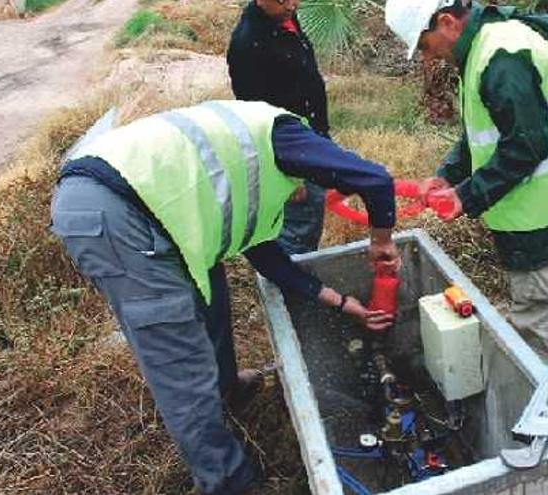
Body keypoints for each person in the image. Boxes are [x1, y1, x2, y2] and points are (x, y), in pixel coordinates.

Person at [51, 100, 400, 494]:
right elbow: (376, 180)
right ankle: (230, 482)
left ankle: (227, 389)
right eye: (311, 192)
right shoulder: (284, 141)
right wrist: (381, 242)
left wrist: (340, 301)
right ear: (312, 170)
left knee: (210, 289)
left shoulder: (261, 170)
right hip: (116, 211)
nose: (303, 201)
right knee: (180, 360)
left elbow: (269, 259)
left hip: (152, 209)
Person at [385, 0, 548, 357]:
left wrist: (467, 196)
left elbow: (525, 146)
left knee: (535, 339)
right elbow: (485, 129)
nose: (429, 58)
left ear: (446, 23)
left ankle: (531, 404)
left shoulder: (500, 59)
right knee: (539, 316)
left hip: (546, 219)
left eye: (426, 46)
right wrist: (448, 176)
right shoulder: (487, 45)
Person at [227, 0, 330, 256]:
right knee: (298, 225)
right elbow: (256, 119)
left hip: (312, 135)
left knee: (312, 212)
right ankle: (289, 286)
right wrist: (287, 177)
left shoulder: (283, 18)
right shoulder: (248, 45)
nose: (292, 4)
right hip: (289, 151)